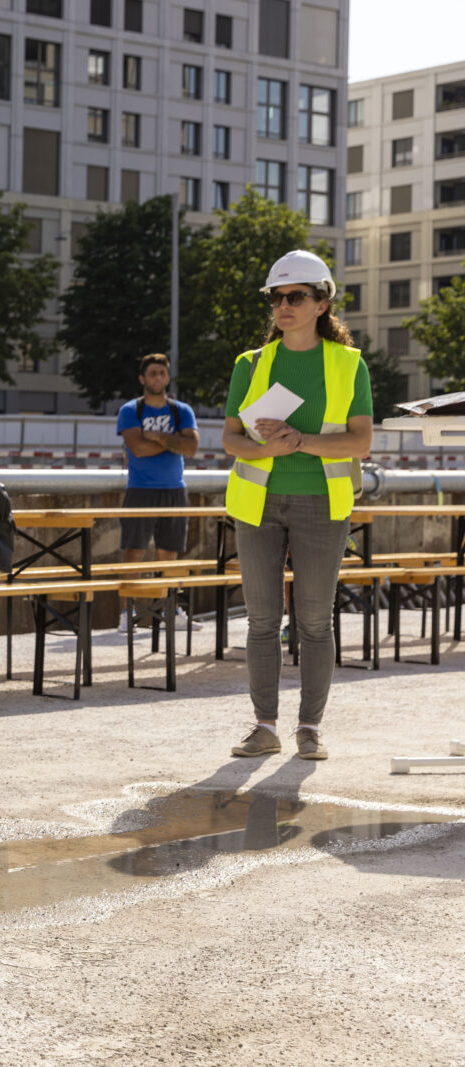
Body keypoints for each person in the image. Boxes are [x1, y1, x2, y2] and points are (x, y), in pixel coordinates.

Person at [223, 250, 372, 762]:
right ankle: (264, 726)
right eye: (276, 298)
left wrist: (300, 440)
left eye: (295, 297)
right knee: (262, 621)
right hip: (257, 504)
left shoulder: (349, 364)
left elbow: (360, 443)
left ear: (321, 303)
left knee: (313, 621)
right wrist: (268, 447)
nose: (283, 306)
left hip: (321, 503)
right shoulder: (250, 364)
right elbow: (231, 440)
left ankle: (310, 728)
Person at [115, 353, 199, 633]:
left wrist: (157, 436)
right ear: (142, 378)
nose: (158, 378)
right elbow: (138, 449)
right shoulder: (130, 410)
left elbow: (191, 448)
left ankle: (169, 610)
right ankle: (127, 613)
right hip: (140, 490)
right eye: (152, 373)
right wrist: (173, 441)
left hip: (174, 489)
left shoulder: (181, 410)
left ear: (167, 377)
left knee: (169, 555)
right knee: (133, 553)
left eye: (162, 373)